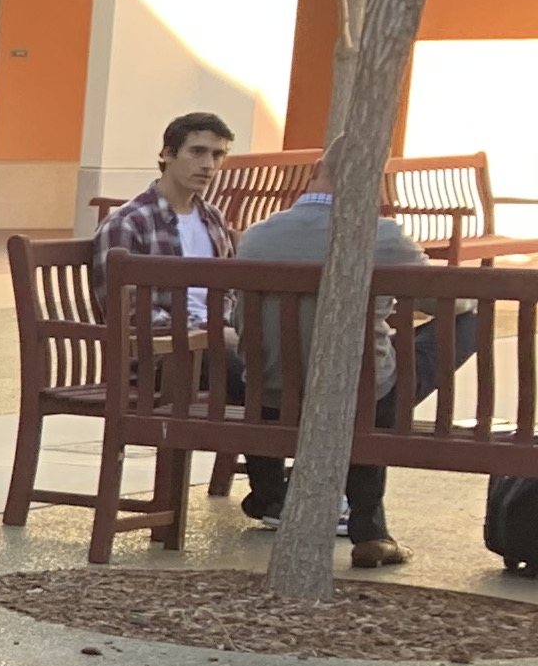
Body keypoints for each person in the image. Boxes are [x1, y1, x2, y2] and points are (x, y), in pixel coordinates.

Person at [233, 187, 459, 568]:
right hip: (361, 397)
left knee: (363, 374)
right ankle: (370, 530)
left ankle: (272, 495)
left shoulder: (256, 235)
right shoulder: (382, 235)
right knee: (373, 381)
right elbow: (449, 303)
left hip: (271, 397)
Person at [95, 112, 238, 334]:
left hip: (219, 338)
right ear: (168, 154)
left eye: (217, 155)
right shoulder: (128, 223)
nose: (208, 165)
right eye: (197, 152)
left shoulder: (213, 218)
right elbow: (128, 309)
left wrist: (230, 327)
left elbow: (230, 290)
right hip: (166, 350)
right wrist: (201, 333)